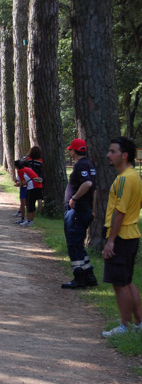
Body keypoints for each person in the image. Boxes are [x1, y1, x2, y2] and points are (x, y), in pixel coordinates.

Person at [101, 136, 142, 337]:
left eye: (113, 152)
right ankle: (138, 323)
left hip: (122, 236)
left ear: (124, 155)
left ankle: (125, 326)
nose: (109, 155)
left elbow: (120, 212)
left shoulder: (125, 179)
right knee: (127, 280)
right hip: (131, 234)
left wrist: (111, 240)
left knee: (119, 283)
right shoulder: (135, 176)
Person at [61, 138, 98, 289]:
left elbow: (88, 184)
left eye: (70, 149)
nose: (70, 152)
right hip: (85, 209)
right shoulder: (89, 165)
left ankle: (79, 278)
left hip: (77, 210)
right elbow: (94, 190)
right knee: (78, 244)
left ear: (74, 151)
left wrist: (73, 198)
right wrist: (93, 209)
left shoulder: (81, 165)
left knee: (74, 244)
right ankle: (89, 275)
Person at [14, 159, 43, 227]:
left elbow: (23, 182)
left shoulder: (20, 171)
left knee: (29, 204)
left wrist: (18, 185)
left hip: (32, 187)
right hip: (38, 186)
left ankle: (29, 220)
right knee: (31, 203)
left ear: (16, 166)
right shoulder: (26, 168)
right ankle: (30, 220)